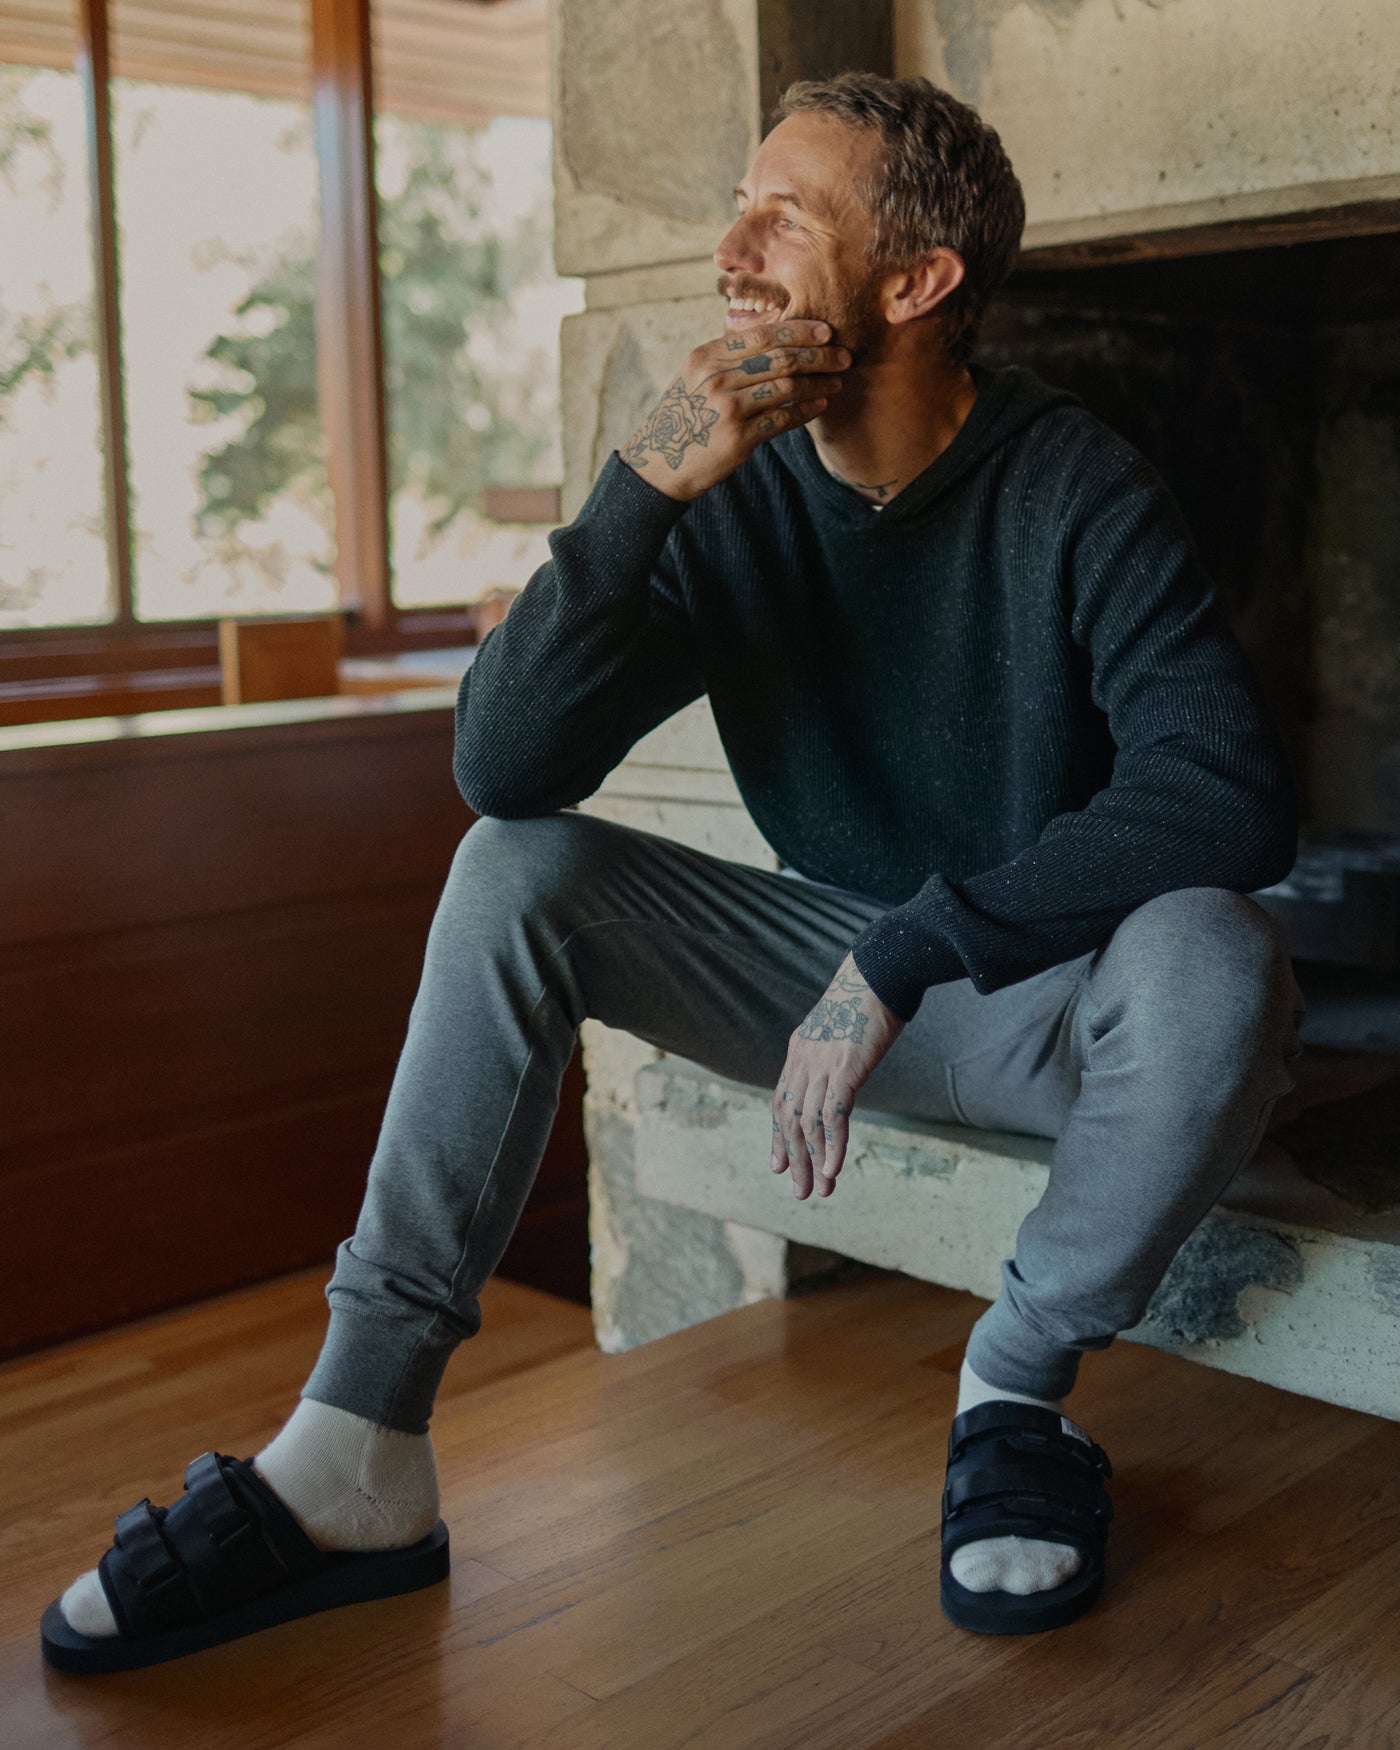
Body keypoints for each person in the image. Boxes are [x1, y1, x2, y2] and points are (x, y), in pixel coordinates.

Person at [43, 70, 1306, 1669]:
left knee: (1218, 952)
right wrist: (638, 490)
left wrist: (910, 949)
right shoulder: (725, 494)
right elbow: (504, 769)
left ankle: (1014, 1388)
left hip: (1033, 998)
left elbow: (1229, 793)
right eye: (736, 206)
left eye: (786, 216)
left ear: (917, 283)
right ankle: (357, 1443)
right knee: (515, 867)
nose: (732, 250)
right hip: (812, 976)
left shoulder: (1073, 482)